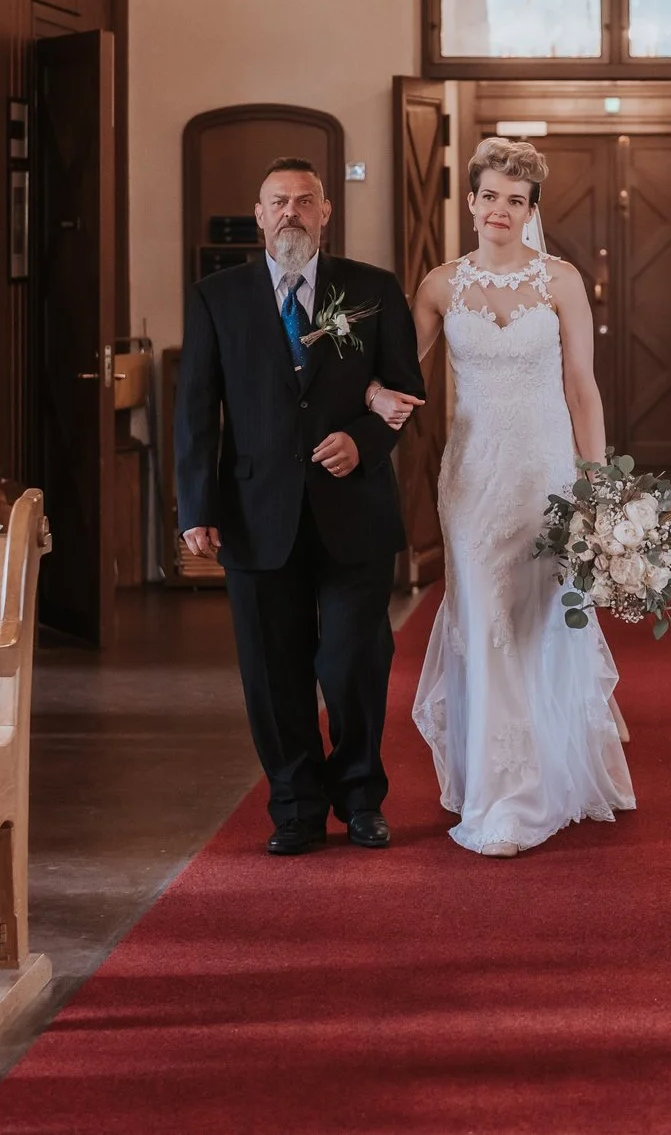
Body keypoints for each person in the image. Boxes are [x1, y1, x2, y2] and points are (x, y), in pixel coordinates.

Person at [369, 136, 635, 857]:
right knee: (487, 623)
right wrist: (365, 391)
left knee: (545, 622)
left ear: (530, 209)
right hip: (476, 481)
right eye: (489, 195)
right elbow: (401, 374)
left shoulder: (561, 282)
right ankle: (502, 794)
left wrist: (599, 483)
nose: (499, 209)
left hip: (548, 474)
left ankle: (553, 771)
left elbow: (582, 386)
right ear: (472, 199)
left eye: (515, 200)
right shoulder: (438, 286)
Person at [175, 159, 426, 855]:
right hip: (256, 514)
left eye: (304, 201)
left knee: (352, 660)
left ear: (325, 213)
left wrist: (365, 440)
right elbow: (197, 409)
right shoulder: (216, 297)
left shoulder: (371, 290)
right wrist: (194, 505)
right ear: (259, 215)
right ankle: (294, 806)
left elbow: (406, 389)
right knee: (272, 669)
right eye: (278, 202)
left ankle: (361, 798)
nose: (291, 212)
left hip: (355, 511)